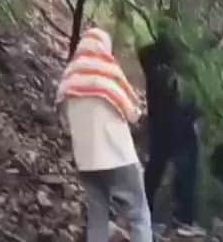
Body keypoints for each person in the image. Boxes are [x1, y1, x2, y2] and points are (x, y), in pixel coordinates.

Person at [57, 27, 152, 242]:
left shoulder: (69, 77)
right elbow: (133, 113)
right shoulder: (108, 71)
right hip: (118, 157)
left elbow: (64, 122)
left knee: (97, 216)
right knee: (139, 215)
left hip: (87, 162)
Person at [138, 29, 206, 238]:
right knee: (185, 171)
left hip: (160, 125)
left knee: (155, 169)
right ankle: (183, 218)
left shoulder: (152, 63)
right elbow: (178, 101)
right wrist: (194, 114)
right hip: (178, 126)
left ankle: (145, 211)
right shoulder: (169, 71)